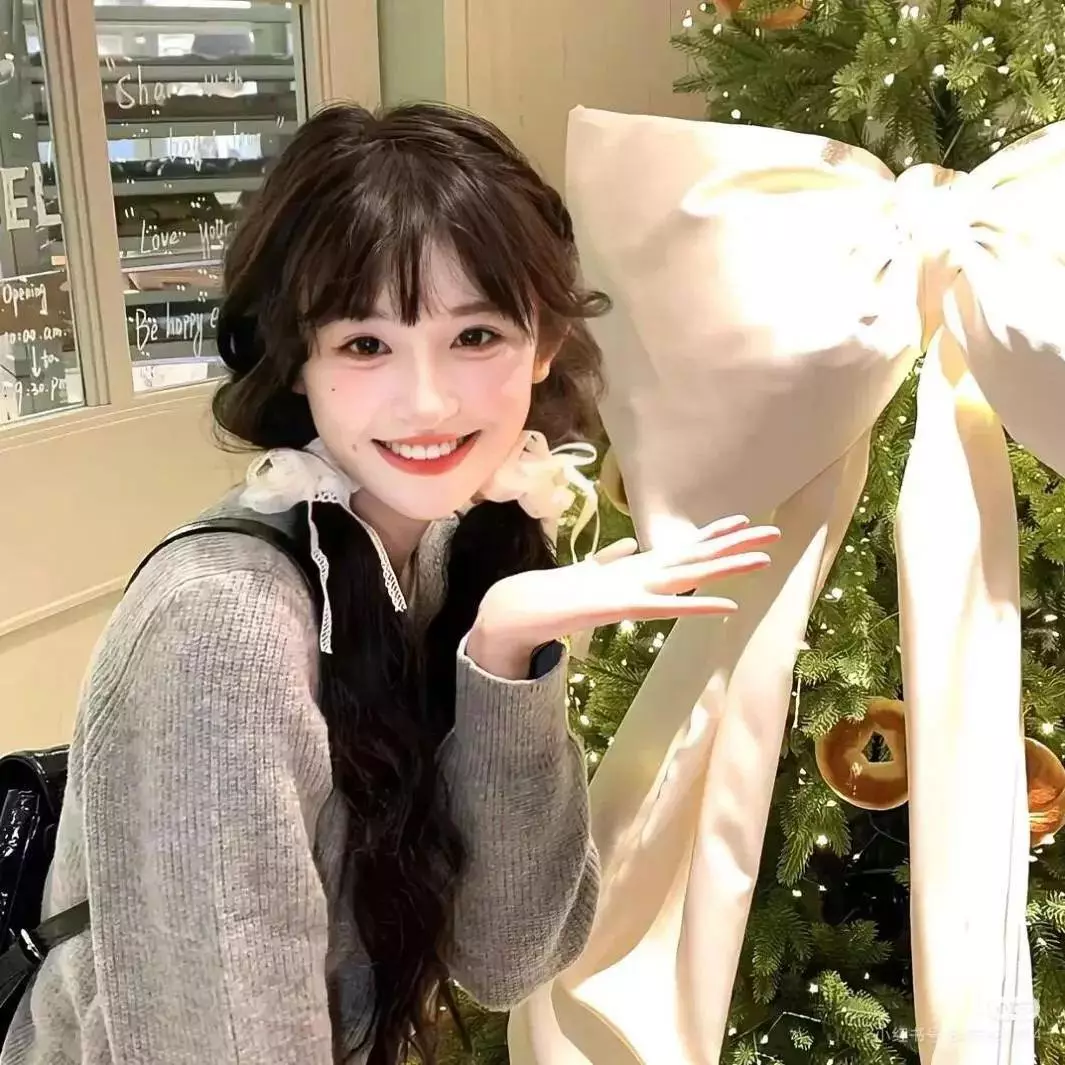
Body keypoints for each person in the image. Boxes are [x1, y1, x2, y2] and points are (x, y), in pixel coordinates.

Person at [1, 103, 778, 1065]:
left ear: (542, 344)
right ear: (299, 363)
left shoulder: (451, 546)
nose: (427, 401)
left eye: (476, 336)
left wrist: (505, 658)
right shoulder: (223, 625)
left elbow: (506, 958)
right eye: (365, 344)